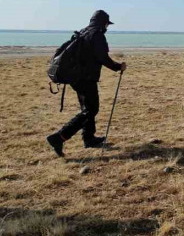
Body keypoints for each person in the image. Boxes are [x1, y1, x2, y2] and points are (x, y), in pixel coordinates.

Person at [47, 10, 127, 157]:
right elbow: (102, 58)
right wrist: (118, 67)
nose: (107, 28)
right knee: (91, 110)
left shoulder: (84, 32)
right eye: (107, 24)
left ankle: (89, 138)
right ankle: (59, 137)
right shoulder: (97, 35)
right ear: (103, 23)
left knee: (87, 108)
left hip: (76, 77)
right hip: (85, 78)